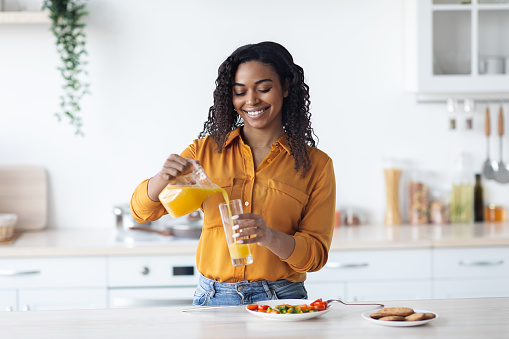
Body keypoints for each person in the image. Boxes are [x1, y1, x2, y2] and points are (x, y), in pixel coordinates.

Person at [131, 41, 336, 306]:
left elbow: (315, 256)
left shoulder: (316, 165)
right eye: (240, 92)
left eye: (263, 89)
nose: (251, 101)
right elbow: (142, 213)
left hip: (282, 299)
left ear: (285, 87)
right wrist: (161, 178)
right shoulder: (203, 153)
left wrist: (269, 236)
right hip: (214, 298)